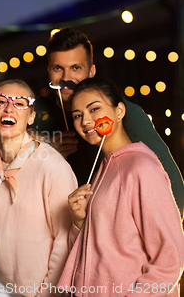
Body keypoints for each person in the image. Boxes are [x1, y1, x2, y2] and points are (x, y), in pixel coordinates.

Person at [33, 27, 184, 215]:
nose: (66, 78)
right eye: (58, 68)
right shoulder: (33, 115)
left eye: (76, 68)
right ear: (49, 71)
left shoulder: (122, 112)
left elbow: (172, 184)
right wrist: (46, 155)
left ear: (91, 71)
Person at [57, 78, 184, 296]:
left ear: (119, 111)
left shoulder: (141, 167)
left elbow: (171, 260)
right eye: (77, 115)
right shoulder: (105, 166)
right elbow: (98, 249)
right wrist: (79, 222)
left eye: (94, 109)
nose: (85, 121)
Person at [0, 79, 76, 297]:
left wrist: (47, 294)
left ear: (31, 117)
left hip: (43, 291)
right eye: (1, 101)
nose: (9, 108)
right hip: (1, 286)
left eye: (20, 103)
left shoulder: (53, 166)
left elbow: (65, 239)